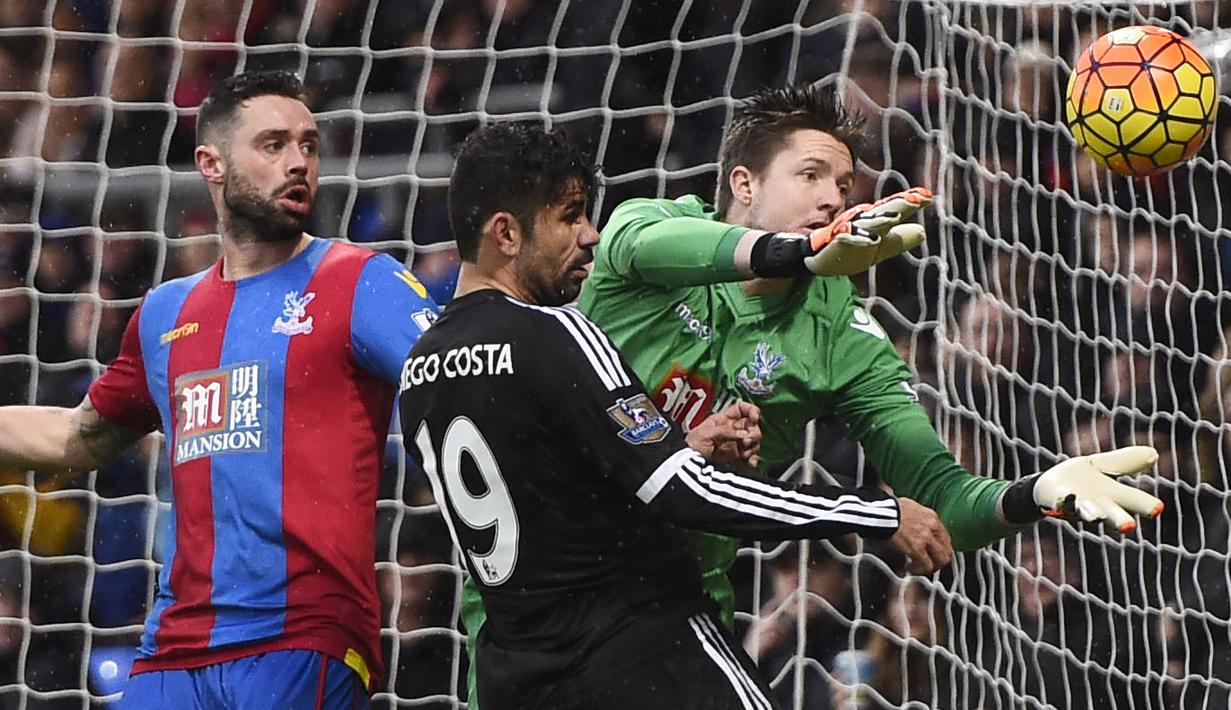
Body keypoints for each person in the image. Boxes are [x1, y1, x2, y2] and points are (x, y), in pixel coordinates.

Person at [398, 122, 953, 710]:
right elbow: (685, 494)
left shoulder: (419, 370)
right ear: (506, 234)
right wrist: (872, 510)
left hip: (518, 670)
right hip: (641, 647)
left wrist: (677, 445)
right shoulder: (558, 331)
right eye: (569, 216)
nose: (589, 235)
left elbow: (560, 499)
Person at [574, 84, 1165, 626]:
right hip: (552, 564)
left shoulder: (843, 332)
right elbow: (641, 249)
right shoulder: (649, 227)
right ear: (744, 184)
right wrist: (800, 251)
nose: (833, 198)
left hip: (677, 603)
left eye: (843, 184)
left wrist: (1029, 495)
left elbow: (941, 503)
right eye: (810, 175)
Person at [0, 70, 439, 708]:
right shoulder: (163, 314)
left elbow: (465, 377)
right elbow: (82, 434)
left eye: (309, 146)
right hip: (175, 646)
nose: (298, 163)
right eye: (273, 145)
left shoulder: (361, 281)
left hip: (302, 635)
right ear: (211, 163)